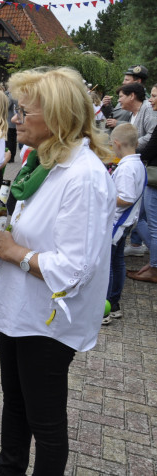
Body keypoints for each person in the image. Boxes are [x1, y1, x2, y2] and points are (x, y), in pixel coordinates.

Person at [0, 67, 115, 475]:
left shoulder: (84, 177)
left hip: (49, 323)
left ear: (56, 118)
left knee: (46, 422)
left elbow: (75, 269)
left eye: (24, 112)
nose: (16, 120)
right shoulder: (44, 163)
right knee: (15, 406)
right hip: (23, 313)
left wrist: (13, 250)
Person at [103, 124, 145, 324]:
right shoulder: (137, 164)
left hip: (117, 223)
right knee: (117, 261)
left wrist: (103, 197)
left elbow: (126, 198)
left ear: (116, 144)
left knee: (108, 265)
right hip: (125, 222)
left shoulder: (127, 168)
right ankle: (115, 303)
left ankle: (106, 307)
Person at [127, 82, 157, 284]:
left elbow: (149, 150)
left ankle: (154, 268)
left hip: (154, 178)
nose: (151, 99)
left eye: (154, 95)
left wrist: (130, 153)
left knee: (151, 224)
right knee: (143, 218)